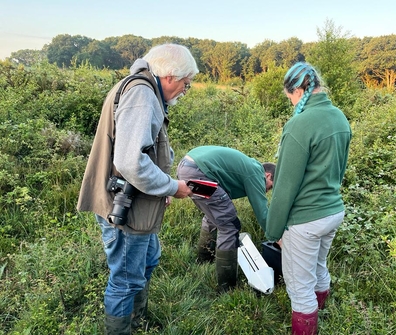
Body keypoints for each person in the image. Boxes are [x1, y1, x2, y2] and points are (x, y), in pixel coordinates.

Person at [77, 43, 199, 334]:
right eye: (186, 83)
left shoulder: (142, 89)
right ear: (169, 76)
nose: (185, 89)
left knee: (149, 258)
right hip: (125, 207)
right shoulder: (144, 96)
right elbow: (131, 162)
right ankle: (123, 327)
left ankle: (136, 320)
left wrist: (157, 189)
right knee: (126, 280)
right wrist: (170, 187)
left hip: (133, 200)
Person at [265, 62, 351, 335]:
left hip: (305, 220)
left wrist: (274, 230)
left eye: (289, 96)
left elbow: (284, 187)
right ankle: (322, 315)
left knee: (299, 287)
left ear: (298, 90)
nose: (290, 103)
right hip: (333, 211)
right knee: (318, 267)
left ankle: (309, 324)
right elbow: (340, 169)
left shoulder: (299, 125)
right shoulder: (339, 117)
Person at [176, 145, 275, 292]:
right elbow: (262, 212)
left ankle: (204, 261)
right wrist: (277, 236)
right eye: (270, 186)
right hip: (200, 171)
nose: (267, 191)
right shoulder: (256, 174)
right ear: (267, 175)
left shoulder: (248, 167)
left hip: (187, 167)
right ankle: (226, 287)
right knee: (229, 225)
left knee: (213, 216)